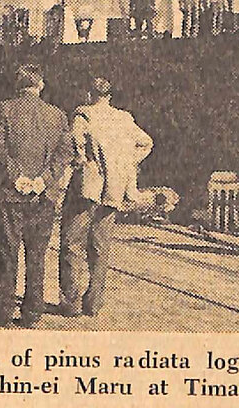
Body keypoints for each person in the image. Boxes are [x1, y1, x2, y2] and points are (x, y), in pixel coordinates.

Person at [0, 64, 72, 327]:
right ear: (41, 86)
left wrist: (17, 178)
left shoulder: (4, 109)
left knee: (5, 254)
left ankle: (2, 312)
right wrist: (42, 181)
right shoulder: (57, 116)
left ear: (17, 84)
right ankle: (32, 313)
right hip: (43, 198)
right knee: (37, 256)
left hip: (10, 196)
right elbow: (65, 153)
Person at [59, 77, 153, 317]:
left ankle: (71, 302)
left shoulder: (83, 115)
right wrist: (125, 162)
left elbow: (74, 145)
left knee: (73, 243)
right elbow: (146, 143)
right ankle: (94, 303)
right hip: (113, 189)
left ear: (89, 94)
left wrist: (83, 159)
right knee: (100, 248)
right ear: (110, 97)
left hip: (86, 189)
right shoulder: (124, 119)